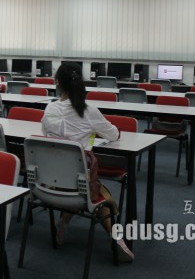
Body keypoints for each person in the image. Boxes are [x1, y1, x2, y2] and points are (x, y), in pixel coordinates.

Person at [41, 62, 134, 262]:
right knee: (101, 197)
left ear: (57, 83)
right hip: (79, 185)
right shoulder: (89, 111)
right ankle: (116, 239)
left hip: (47, 184)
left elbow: (45, 136)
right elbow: (113, 135)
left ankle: (62, 224)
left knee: (76, 183)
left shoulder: (49, 109)